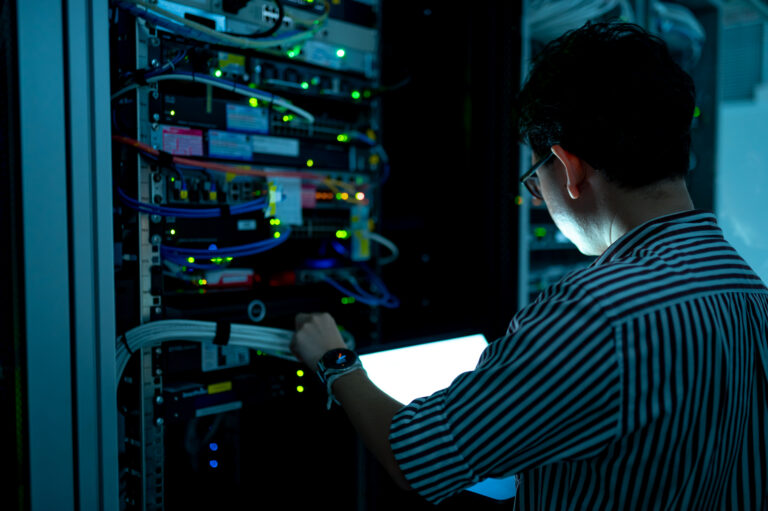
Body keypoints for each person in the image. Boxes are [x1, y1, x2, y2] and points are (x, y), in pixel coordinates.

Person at [290, 21, 768, 509]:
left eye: (536, 181)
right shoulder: (751, 293)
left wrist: (335, 361)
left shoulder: (599, 312)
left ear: (569, 168)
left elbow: (414, 454)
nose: (540, 201)